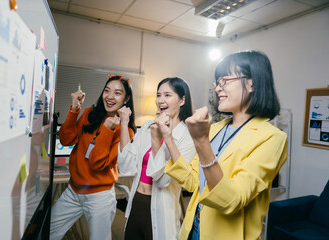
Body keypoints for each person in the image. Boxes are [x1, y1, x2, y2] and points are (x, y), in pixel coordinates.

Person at [163, 50, 288, 240]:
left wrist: (201, 142)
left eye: (225, 80)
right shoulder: (215, 128)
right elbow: (193, 182)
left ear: (252, 83)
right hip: (193, 229)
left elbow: (232, 200)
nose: (218, 88)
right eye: (217, 82)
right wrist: (168, 138)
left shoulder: (272, 138)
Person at [50, 74, 136, 240]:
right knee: (49, 232)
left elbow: (97, 163)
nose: (110, 96)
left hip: (100, 197)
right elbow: (66, 139)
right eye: (107, 90)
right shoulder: (90, 113)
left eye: (117, 93)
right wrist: (74, 110)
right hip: (73, 191)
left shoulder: (125, 131)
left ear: (126, 99)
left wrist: (107, 130)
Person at [117, 77, 197, 240]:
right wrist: (124, 123)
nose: (160, 100)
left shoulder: (187, 136)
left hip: (161, 210)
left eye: (167, 95)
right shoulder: (147, 126)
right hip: (136, 203)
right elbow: (126, 165)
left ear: (182, 100)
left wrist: (156, 139)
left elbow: (162, 180)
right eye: (158, 95)